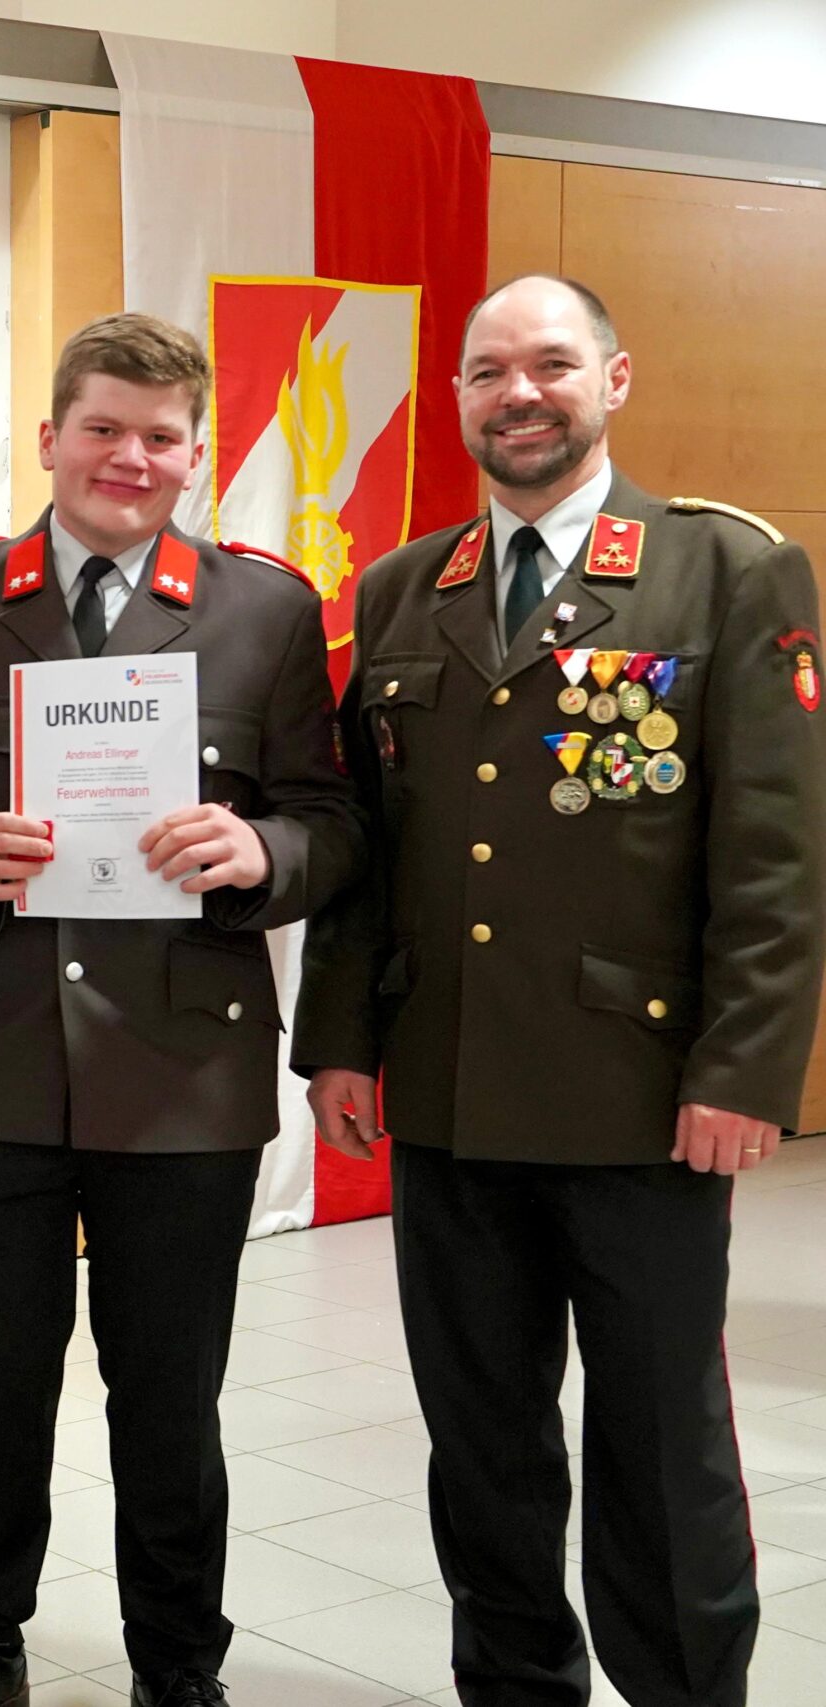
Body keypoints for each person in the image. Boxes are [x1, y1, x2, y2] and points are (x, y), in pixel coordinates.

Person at [294, 275, 826, 1707]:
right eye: (488, 372)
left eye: (549, 365)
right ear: (459, 397)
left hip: (640, 1102)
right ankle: (516, 1684)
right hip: (450, 1090)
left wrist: (743, 1069)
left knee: (659, 1444)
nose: (518, 394)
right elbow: (372, 846)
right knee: (481, 1442)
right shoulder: (405, 588)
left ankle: (685, 1689)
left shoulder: (727, 569)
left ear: (614, 380)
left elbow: (775, 856)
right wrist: (340, 1041)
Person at [0, 312, 363, 1707]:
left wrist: (260, 852)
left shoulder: (264, 612)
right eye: (102, 429)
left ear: (195, 454)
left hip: (184, 1070)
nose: (129, 457)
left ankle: (178, 1657)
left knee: (170, 1397)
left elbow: (329, 820)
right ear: (49, 438)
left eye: (160, 436)